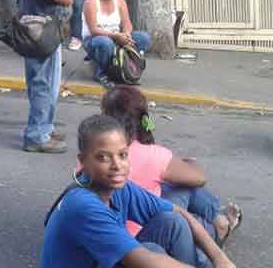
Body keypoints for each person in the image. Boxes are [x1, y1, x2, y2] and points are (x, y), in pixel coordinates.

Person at [41, 114, 236, 268]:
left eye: (123, 155)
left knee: (172, 221)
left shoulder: (118, 187)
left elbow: (179, 212)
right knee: (151, 252)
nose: (117, 165)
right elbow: (143, 260)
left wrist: (221, 259)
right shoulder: (82, 205)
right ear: (83, 162)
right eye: (103, 157)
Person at [101, 86, 242, 246]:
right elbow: (199, 179)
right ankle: (218, 225)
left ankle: (216, 220)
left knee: (170, 186)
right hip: (143, 237)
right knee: (183, 190)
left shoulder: (93, 153)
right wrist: (189, 164)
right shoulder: (152, 155)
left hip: (109, 234)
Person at [17, 0, 72, 153]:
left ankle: (43, 127)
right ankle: (38, 135)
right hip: (45, 25)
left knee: (37, 81)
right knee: (46, 82)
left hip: (27, 22)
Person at [82, 0, 151, 84]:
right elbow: (93, 30)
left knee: (143, 38)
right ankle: (101, 72)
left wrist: (127, 34)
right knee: (105, 43)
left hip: (117, 36)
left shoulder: (119, 0)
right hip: (95, 38)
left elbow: (127, 23)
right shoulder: (91, 1)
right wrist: (116, 36)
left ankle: (128, 68)